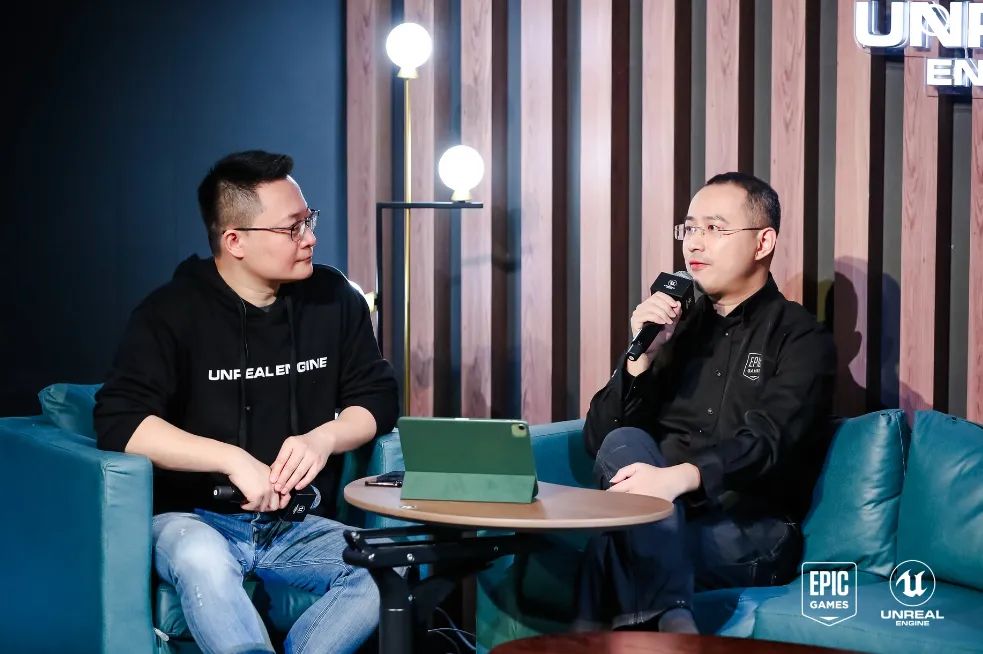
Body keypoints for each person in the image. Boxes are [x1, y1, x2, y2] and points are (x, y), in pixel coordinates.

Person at [95, 150, 398, 654]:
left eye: (309, 220)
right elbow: (121, 422)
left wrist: (324, 438)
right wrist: (232, 460)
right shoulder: (170, 312)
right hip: (193, 519)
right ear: (234, 240)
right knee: (202, 560)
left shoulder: (334, 298)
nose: (310, 238)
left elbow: (377, 397)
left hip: (295, 522)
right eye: (292, 228)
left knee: (387, 571)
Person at [577, 172, 836, 633]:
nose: (694, 243)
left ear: (763, 242)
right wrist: (640, 358)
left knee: (611, 547)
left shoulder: (801, 338)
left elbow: (768, 441)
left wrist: (679, 478)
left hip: (749, 526)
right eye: (690, 228)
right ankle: (675, 623)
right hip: (660, 516)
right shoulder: (673, 329)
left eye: (714, 228)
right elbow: (599, 441)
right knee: (623, 441)